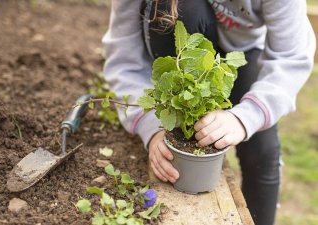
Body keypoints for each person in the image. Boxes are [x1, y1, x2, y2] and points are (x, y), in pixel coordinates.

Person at [102, 0, 315, 224]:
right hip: (182, 50)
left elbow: (291, 56)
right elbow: (124, 62)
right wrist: (152, 129)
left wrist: (244, 118)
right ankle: (179, 130)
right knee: (180, 9)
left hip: (242, 51)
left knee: (262, 153)